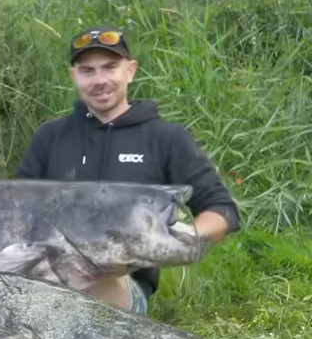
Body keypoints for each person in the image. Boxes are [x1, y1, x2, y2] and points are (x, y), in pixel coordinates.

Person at [15, 25, 240, 313]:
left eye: (110, 68)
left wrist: (183, 241)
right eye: (88, 71)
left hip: (118, 286)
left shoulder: (166, 138)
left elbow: (222, 209)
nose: (100, 80)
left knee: (87, 281)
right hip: (42, 277)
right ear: (74, 76)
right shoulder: (50, 137)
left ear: (130, 70)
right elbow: (18, 211)